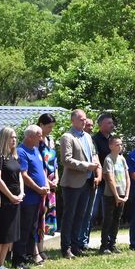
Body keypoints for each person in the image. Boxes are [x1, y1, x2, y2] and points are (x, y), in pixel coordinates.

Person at [58, 109, 100, 258]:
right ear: (73, 120)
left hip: (87, 181)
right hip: (72, 183)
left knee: (81, 215)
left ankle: (76, 246)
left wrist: (95, 162)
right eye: (81, 119)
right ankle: (66, 248)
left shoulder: (88, 137)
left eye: (85, 119)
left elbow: (93, 154)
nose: (84, 121)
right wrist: (86, 165)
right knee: (70, 215)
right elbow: (66, 160)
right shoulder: (67, 137)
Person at [0, 127, 23, 269]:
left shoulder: (14, 156)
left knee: (10, 235)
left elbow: (20, 175)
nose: (14, 140)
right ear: (4, 138)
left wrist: (21, 192)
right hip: (4, 200)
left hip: (16, 199)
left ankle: (2, 265)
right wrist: (10, 196)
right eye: (11, 137)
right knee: (1, 234)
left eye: (15, 137)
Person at [15, 125, 49, 267]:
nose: (41, 138)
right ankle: (19, 259)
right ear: (30, 136)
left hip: (39, 196)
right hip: (29, 197)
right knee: (24, 228)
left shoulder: (36, 150)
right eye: (39, 135)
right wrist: (38, 188)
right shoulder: (21, 151)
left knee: (33, 227)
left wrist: (46, 184)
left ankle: (29, 255)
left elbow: (41, 170)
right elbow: (24, 175)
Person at [85, 113, 115, 251]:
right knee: (92, 213)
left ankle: (108, 242)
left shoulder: (113, 140)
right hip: (99, 183)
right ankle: (84, 242)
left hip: (112, 184)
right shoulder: (94, 140)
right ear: (101, 125)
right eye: (109, 123)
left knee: (109, 214)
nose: (112, 125)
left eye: (112, 123)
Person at [99, 133, 129, 254]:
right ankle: (104, 245)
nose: (120, 146)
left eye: (121, 144)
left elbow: (127, 177)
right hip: (110, 195)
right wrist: (116, 196)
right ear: (111, 146)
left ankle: (113, 244)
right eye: (117, 144)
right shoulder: (108, 159)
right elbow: (110, 179)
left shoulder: (122, 159)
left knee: (117, 219)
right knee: (108, 219)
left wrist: (126, 194)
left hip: (122, 194)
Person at [36, 112, 59, 264]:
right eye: (49, 126)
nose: (51, 129)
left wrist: (56, 177)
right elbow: (39, 164)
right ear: (41, 125)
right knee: (39, 217)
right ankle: (36, 250)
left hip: (51, 183)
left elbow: (54, 161)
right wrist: (46, 181)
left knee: (47, 218)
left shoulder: (50, 140)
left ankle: (42, 248)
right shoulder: (36, 141)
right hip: (41, 184)